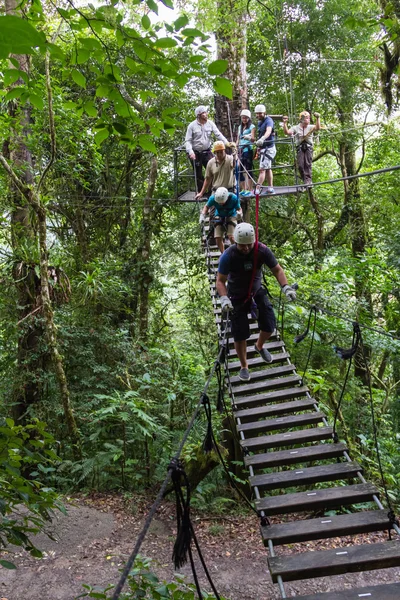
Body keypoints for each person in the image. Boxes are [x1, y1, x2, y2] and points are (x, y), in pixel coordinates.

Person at [216, 223, 296, 382]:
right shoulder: (228, 255)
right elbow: (220, 280)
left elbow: (277, 270)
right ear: (235, 242)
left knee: (269, 325)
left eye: (248, 245)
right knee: (240, 335)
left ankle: (259, 346)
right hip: (236, 296)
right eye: (242, 245)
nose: (245, 248)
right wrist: (224, 298)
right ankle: (244, 366)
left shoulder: (262, 250)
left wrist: (286, 287)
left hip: (256, 291)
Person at [185, 106, 228, 193]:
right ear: (199, 115)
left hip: (207, 151)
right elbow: (187, 141)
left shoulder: (210, 123)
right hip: (195, 152)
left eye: (206, 112)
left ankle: (212, 190)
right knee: (198, 173)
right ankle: (201, 192)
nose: (206, 114)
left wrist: (227, 142)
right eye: (204, 113)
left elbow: (218, 134)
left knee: (213, 168)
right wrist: (190, 152)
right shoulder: (192, 126)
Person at [282, 111, 321, 186]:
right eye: (307, 118)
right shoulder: (296, 128)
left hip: (308, 147)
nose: (308, 119)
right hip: (300, 147)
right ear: (302, 119)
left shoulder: (310, 127)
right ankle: (305, 181)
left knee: (307, 164)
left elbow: (318, 128)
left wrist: (318, 118)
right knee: (300, 165)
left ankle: (309, 182)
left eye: (309, 118)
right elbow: (287, 132)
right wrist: (285, 123)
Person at [199, 187, 242, 253]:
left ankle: (236, 252)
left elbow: (239, 208)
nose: (220, 204)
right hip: (219, 216)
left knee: (231, 237)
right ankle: (223, 253)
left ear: (226, 198)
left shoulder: (234, 198)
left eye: (222, 202)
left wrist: (239, 214)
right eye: (218, 202)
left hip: (231, 215)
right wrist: (202, 215)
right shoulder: (213, 198)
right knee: (218, 238)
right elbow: (206, 207)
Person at [254, 104, 276, 195]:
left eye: (260, 113)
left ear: (264, 113)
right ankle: (270, 187)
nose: (258, 115)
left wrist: (262, 139)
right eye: (257, 114)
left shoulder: (269, 121)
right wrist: (252, 138)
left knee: (262, 169)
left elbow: (268, 131)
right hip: (263, 148)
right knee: (267, 169)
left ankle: (258, 188)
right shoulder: (260, 122)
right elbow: (259, 135)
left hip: (269, 148)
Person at [236, 109, 256, 198]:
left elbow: (253, 139)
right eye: (243, 118)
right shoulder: (240, 127)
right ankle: (243, 189)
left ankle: (250, 189)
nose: (244, 119)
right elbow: (238, 139)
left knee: (248, 169)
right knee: (239, 169)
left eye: (246, 118)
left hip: (248, 149)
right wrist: (235, 147)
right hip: (240, 150)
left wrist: (247, 137)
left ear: (249, 118)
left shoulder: (252, 127)